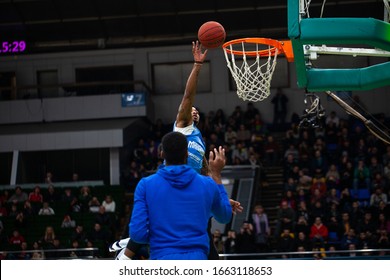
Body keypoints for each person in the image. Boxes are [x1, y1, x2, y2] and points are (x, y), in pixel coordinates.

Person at [113, 41, 242, 260]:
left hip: (189, 192)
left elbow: (203, 176)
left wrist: (217, 200)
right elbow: (188, 95)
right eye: (185, 108)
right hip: (172, 184)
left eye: (193, 109)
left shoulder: (197, 139)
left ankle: (134, 246)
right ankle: (130, 250)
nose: (190, 108)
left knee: (208, 250)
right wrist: (197, 66)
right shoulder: (181, 128)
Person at [128, 132, 232, 260]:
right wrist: (216, 174)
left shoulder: (145, 185)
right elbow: (225, 216)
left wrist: (161, 237)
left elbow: (138, 235)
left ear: (162, 154)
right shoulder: (208, 184)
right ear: (187, 154)